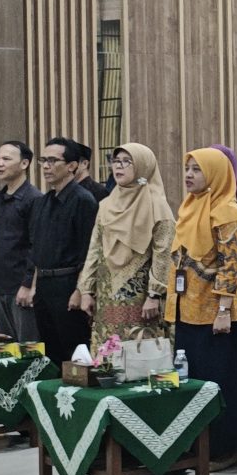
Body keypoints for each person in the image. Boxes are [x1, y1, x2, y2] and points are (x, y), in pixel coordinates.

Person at [169, 148, 237, 464]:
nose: (189, 175)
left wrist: (224, 311)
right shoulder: (190, 206)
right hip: (187, 310)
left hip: (215, 315)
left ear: (216, 174)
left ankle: (223, 449)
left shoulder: (227, 211)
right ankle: (196, 447)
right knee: (192, 379)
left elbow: (232, 264)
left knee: (219, 382)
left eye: (197, 169)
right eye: (187, 168)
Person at [77, 143, 174, 352]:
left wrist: (154, 295)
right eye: (116, 161)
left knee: (141, 354)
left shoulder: (157, 205)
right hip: (107, 294)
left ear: (142, 166)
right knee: (108, 355)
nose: (118, 166)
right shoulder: (106, 205)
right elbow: (95, 248)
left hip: (142, 299)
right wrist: (86, 289)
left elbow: (163, 254)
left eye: (127, 162)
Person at [24, 137, 99, 364]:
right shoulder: (42, 202)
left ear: (72, 166)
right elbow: (37, 249)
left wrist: (80, 290)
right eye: (43, 160)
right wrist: (34, 287)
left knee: (74, 352)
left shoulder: (83, 200)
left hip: (68, 284)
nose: (46, 166)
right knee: (50, 353)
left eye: (53, 161)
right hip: (44, 285)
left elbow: (88, 251)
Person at [0, 140, 41, 343]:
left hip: (20, 286)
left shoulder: (34, 199)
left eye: (6, 159)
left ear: (24, 164)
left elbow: (36, 245)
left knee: (27, 346)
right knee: (4, 345)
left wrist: (28, 284)